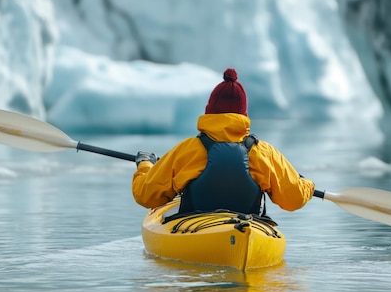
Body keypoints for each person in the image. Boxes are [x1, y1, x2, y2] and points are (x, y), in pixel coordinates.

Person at [132, 68, 315, 216]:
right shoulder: (263, 152)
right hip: (247, 229)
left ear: (209, 111)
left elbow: (146, 195)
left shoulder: (188, 150)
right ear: (243, 114)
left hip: (195, 228)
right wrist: (306, 184)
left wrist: (145, 165)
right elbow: (294, 199)